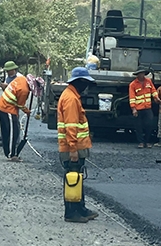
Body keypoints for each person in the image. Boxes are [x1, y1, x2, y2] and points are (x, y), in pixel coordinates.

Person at [58, 67, 98, 223]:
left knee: (78, 178)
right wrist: (73, 149)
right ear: (79, 82)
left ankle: (80, 208)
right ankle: (71, 212)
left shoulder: (72, 96)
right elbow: (71, 126)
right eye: (85, 83)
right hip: (71, 149)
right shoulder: (70, 99)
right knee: (72, 179)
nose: (87, 86)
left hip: (77, 147)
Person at [0, 61, 31, 162]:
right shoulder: (24, 90)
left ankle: (9, 152)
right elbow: (20, 104)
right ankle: (12, 155)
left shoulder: (21, 78)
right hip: (7, 108)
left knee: (11, 130)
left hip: (5, 106)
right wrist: (27, 111)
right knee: (12, 132)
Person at [129, 68, 158, 148]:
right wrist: (133, 109)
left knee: (149, 124)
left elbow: (153, 90)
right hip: (138, 108)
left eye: (143, 73)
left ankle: (147, 141)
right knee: (138, 126)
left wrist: (156, 97)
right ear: (137, 74)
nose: (142, 75)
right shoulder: (133, 84)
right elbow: (132, 97)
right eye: (140, 73)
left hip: (147, 107)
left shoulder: (148, 81)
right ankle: (141, 142)